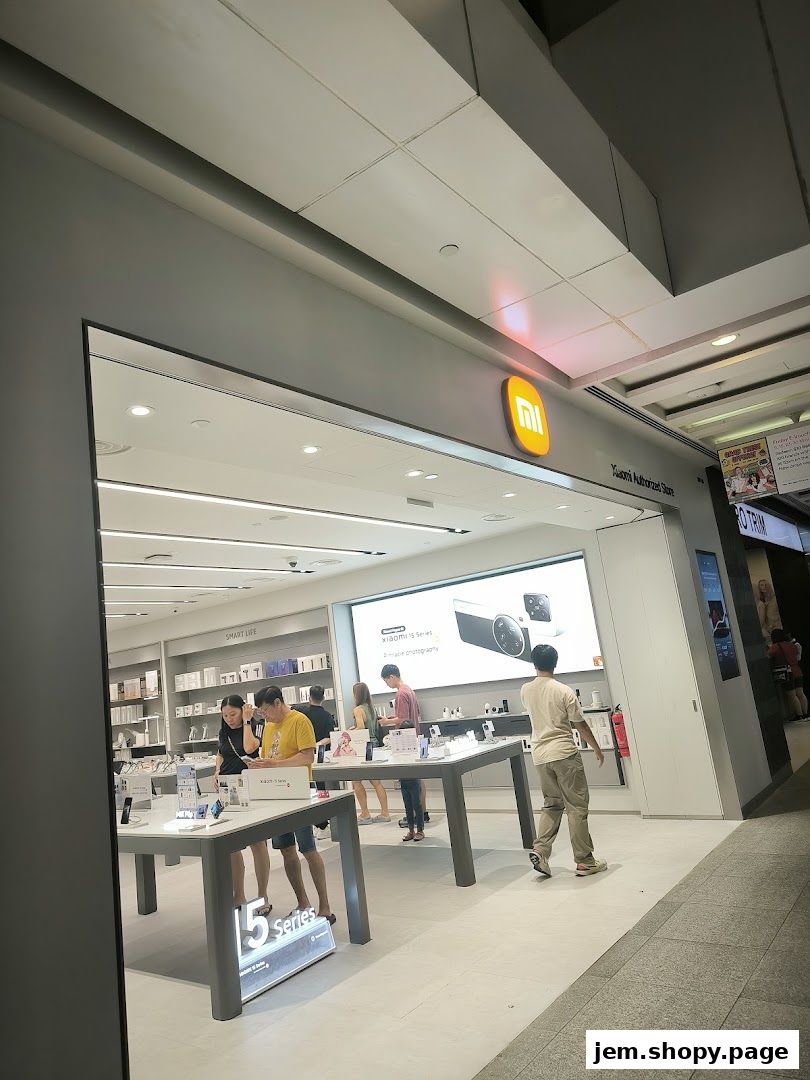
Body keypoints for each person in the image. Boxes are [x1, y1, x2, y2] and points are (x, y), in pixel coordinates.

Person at [247, 686, 335, 924]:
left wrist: (274, 766)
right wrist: (261, 764)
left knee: (308, 849)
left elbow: (307, 756)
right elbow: (269, 755)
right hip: (276, 795)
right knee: (286, 850)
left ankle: (325, 906)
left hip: (299, 794)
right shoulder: (268, 726)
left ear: (277, 703)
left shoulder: (300, 721)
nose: (264, 716)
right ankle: (303, 902)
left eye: (266, 710)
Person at [521, 644, 607, 878]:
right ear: (555, 663)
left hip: (540, 756)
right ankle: (585, 860)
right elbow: (579, 724)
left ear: (534, 663)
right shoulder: (563, 691)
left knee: (552, 804)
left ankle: (540, 850)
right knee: (577, 807)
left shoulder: (525, 690)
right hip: (564, 754)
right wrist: (597, 748)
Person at [213, 695, 272, 916]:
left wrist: (247, 721)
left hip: (251, 787)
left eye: (233, 714)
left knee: (258, 843)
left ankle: (263, 895)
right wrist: (216, 770)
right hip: (228, 790)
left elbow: (249, 748)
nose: (229, 719)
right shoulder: (223, 731)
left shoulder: (256, 727)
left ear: (243, 710)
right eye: (225, 715)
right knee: (232, 846)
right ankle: (239, 895)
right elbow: (220, 752)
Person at [380, 664, 430, 827]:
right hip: (414, 736)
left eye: (386, 681)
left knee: (409, 783)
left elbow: (402, 719)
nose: (387, 684)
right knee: (418, 778)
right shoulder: (409, 690)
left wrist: (387, 721)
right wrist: (393, 717)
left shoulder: (400, 694)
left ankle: (414, 816)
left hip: (405, 741)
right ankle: (423, 813)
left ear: (391, 677)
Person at [349, 681, 390, 824]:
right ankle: (385, 812)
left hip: (363, 747)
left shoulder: (358, 709)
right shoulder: (372, 709)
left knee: (356, 781)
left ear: (357, 694)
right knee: (376, 782)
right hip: (375, 745)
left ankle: (365, 813)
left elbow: (360, 727)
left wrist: (348, 732)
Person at [298, 685, 337, 831]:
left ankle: (315, 823)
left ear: (309, 697)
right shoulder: (327, 716)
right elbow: (329, 737)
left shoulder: (301, 712)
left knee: (308, 788)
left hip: (302, 756)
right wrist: (316, 745)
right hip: (320, 757)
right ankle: (323, 824)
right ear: (324, 697)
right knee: (321, 788)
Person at [768, 628, 808, 721]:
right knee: (801, 693)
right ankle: (806, 714)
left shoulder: (776, 646)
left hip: (787, 672)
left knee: (792, 695)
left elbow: (768, 655)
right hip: (797, 670)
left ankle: (799, 715)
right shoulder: (792, 645)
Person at [398, 719, 424, 842]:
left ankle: (419, 830)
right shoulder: (398, 744)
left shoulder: (416, 743)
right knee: (408, 805)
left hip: (413, 777)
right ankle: (411, 830)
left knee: (416, 805)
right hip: (404, 777)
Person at [756, 579, 782, 643]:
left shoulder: (775, 598)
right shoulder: (761, 601)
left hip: (778, 627)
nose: (764, 587)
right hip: (769, 630)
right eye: (761, 585)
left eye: (766, 585)